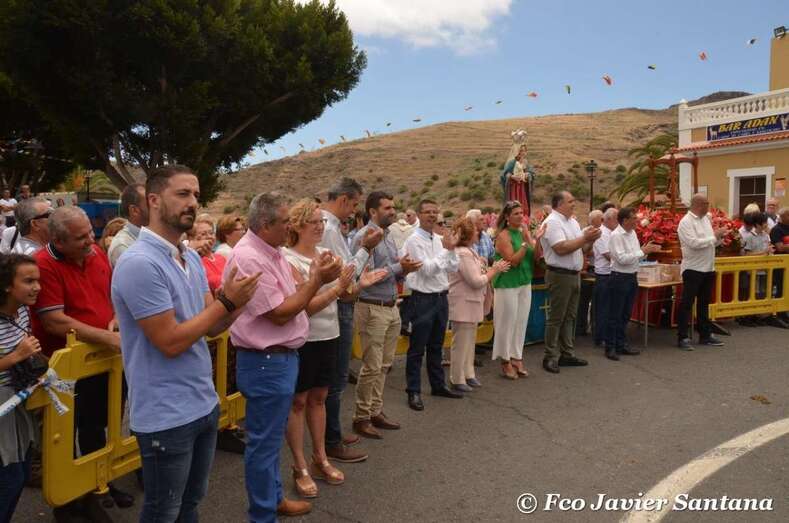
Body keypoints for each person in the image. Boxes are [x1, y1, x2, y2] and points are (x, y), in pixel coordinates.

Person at [112, 165, 260, 522]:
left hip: (203, 403)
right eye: (182, 194)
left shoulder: (190, 257)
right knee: (164, 511)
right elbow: (170, 342)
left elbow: (211, 327)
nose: (192, 202)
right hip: (166, 414)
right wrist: (227, 301)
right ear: (153, 200)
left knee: (191, 504)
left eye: (195, 194)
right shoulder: (139, 263)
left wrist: (242, 302)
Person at [227, 192, 341, 520]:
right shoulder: (250, 256)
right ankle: (263, 514)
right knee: (263, 445)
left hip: (279, 359)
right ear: (265, 225)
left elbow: (293, 298)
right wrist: (318, 280)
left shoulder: (270, 251)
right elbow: (279, 313)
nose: (290, 226)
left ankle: (274, 499)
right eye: (285, 221)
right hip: (266, 362)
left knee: (270, 440)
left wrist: (314, 280)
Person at [32, 206, 135, 516]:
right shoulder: (43, 264)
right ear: (58, 241)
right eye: (81, 237)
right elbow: (54, 321)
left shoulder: (95, 254)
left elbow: (112, 296)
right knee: (64, 434)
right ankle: (68, 499)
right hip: (67, 367)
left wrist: (116, 318)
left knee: (99, 426)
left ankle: (98, 482)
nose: (91, 240)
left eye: (91, 232)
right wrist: (106, 338)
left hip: (104, 361)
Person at [319, 177, 382, 463]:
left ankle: (332, 432)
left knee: (335, 378)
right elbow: (348, 273)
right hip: (336, 305)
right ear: (344, 199)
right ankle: (330, 439)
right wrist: (366, 249)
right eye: (354, 204)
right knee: (336, 379)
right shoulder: (329, 228)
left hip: (336, 303)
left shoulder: (329, 227)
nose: (353, 212)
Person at [350, 192, 420, 438]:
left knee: (384, 365)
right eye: (388, 208)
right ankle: (361, 417)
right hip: (371, 306)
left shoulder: (388, 236)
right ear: (372, 212)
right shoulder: (364, 237)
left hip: (390, 306)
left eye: (394, 207)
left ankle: (375, 411)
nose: (393, 211)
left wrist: (403, 268)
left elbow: (389, 269)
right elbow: (363, 276)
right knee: (371, 366)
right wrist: (401, 267)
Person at [401, 199, 461, 410]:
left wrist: (450, 251)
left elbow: (453, 266)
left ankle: (438, 384)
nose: (432, 215)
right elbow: (426, 270)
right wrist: (447, 251)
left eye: (435, 212)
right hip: (422, 299)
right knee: (417, 348)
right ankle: (414, 390)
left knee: (436, 345)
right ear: (419, 214)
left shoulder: (438, 239)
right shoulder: (413, 241)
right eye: (428, 212)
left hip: (441, 297)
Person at [0, 254, 41, 523]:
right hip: (3, 407)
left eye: (38, 280)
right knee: (11, 477)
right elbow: (17, 352)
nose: (37, 287)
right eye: (28, 281)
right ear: (6, 286)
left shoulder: (23, 310)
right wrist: (17, 355)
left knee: (23, 470)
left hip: (20, 397)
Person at [540, 191, 600, 374]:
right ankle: (549, 356)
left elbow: (581, 248)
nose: (574, 204)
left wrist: (591, 241)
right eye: (570, 201)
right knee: (557, 317)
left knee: (570, 316)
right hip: (560, 274)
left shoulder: (572, 222)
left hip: (574, 274)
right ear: (559, 204)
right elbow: (561, 248)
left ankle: (567, 353)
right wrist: (585, 238)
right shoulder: (552, 222)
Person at [449, 218, 509, 390]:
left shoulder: (470, 251)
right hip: (463, 302)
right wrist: (494, 270)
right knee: (461, 343)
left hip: (471, 302)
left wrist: (489, 268)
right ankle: (457, 378)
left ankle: (468, 374)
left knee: (469, 341)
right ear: (468, 235)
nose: (478, 232)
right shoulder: (463, 253)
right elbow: (476, 280)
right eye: (475, 230)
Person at [491, 201, 539, 379]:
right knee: (506, 322)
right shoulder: (503, 235)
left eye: (522, 213)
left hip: (524, 281)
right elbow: (513, 260)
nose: (521, 216)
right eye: (516, 213)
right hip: (507, 283)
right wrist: (526, 243)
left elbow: (535, 255)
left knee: (520, 321)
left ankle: (517, 356)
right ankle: (505, 360)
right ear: (507, 217)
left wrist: (534, 239)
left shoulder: (522, 232)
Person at [605, 207, 660, 361]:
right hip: (619, 277)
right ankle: (610, 347)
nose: (636, 221)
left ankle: (621, 344)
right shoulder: (616, 236)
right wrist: (642, 252)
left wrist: (647, 251)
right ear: (625, 220)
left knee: (626, 314)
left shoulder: (633, 233)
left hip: (631, 276)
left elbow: (636, 257)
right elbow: (622, 259)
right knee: (615, 314)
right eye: (633, 218)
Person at [676, 193, 728, 351]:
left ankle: (705, 335)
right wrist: (714, 237)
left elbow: (709, 242)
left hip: (708, 267)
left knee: (704, 303)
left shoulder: (706, 219)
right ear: (698, 204)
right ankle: (683, 337)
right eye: (706, 203)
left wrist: (719, 239)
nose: (708, 206)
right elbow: (693, 243)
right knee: (687, 303)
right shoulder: (685, 222)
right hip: (693, 269)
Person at [592, 208, 618, 347]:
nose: (618, 222)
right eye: (616, 219)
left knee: (611, 307)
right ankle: (600, 337)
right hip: (604, 275)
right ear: (608, 219)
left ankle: (608, 335)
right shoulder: (601, 233)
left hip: (612, 273)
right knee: (603, 308)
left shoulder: (613, 233)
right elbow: (608, 255)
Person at [108, 183, 149, 268]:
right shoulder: (122, 246)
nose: (156, 206)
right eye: (149, 203)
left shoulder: (151, 236)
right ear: (134, 210)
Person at [189, 215, 227, 295]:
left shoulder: (221, 257)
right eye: (203, 234)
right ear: (193, 238)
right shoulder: (195, 261)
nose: (209, 236)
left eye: (211, 233)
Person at [770, 207, 789, 324]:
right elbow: (779, 247)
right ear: (782, 217)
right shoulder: (776, 230)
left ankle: (786, 311)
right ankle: (779, 313)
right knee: (780, 288)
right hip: (779, 264)